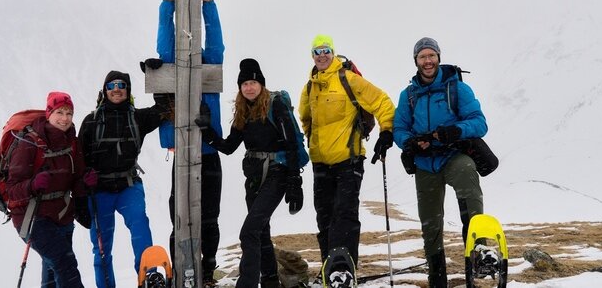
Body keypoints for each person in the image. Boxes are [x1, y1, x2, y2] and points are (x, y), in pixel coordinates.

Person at [141, 0, 225, 286]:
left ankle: (208, 272)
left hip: (209, 152)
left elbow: (216, 42)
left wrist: (208, 4)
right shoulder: (172, 65)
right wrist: (168, 4)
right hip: (183, 152)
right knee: (180, 217)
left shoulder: (209, 64)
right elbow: (165, 43)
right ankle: (180, 269)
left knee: (209, 218)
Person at [194, 58, 304, 288]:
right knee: (261, 231)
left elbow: (291, 143)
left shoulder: (276, 105)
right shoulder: (244, 111)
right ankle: (271, 280)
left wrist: (294, 182)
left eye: (253, 82)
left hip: (278, 173)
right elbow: (229, 146)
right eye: (244, 84)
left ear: (261, 84)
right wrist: (207, 129)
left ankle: (247, 284)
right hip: (254, 177)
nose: (249, 87)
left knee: (249, 232)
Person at [298, 34, 395, 283]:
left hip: (349, 160)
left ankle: (345, 270)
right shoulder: (309, 87)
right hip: (320, 162)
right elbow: (305, 117)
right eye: (317, 51)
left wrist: (387, 131)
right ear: (312, 55)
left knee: (345, 214)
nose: (322, 55)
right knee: (325, 217)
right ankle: (329, 271)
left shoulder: (348, 79)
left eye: (326, 50)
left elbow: (382, 102)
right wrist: (312, 140)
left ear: (333, 52)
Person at [392, 37, 488, 288]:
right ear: (416, 61)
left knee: (468, 176)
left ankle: (478, 250)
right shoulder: (408, 95)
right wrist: (410, 143)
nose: (427, 61)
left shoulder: (457, 88)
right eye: (422, 57)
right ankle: (436, 276)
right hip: (425, 164)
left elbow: (479, 122)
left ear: (438, 58)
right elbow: (399, 129)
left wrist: (454, 131)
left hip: (453, 155)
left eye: (431, 56)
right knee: (430, 221)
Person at [78, 71, 164, 288]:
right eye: (111, 85)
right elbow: (77, 161)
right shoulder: (91, 122)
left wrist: (156, 74)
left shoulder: (137, 118)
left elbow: (165, 107)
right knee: (102, 249)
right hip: (99, 191)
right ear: (104, 91)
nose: (116, 89)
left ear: (128, 90)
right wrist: (79, 199)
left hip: (128, 186)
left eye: (121, 85)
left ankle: (148, 278)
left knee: (140, 225)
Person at [6, 91, 96, 288]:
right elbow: (11, 190)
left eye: (69, 113)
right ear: (49, 113)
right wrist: (33, 184)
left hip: (62, 215)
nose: (64, 119)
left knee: (53, 269)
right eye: (59, 112)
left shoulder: (72, 142)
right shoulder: (29, 143)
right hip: (31, 217)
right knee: (65, 264)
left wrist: (86, 182)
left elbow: (76, 181)